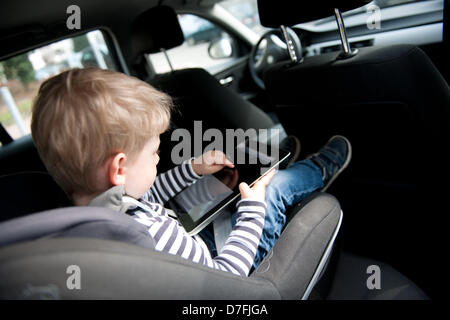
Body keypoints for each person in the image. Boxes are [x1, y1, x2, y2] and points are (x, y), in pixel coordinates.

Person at [31, 68, 351, 277]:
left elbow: (149, 194)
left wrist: (193, 169)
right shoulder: (149, 235)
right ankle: (319, 167)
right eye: (155, 152)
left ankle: (275, 164)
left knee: (227, 189)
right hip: (232, 270)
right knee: (275, 188)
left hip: (195, 249)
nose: (159, 157)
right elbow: (227, 278)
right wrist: (253, 210)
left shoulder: (97, 215)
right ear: (119, 168)